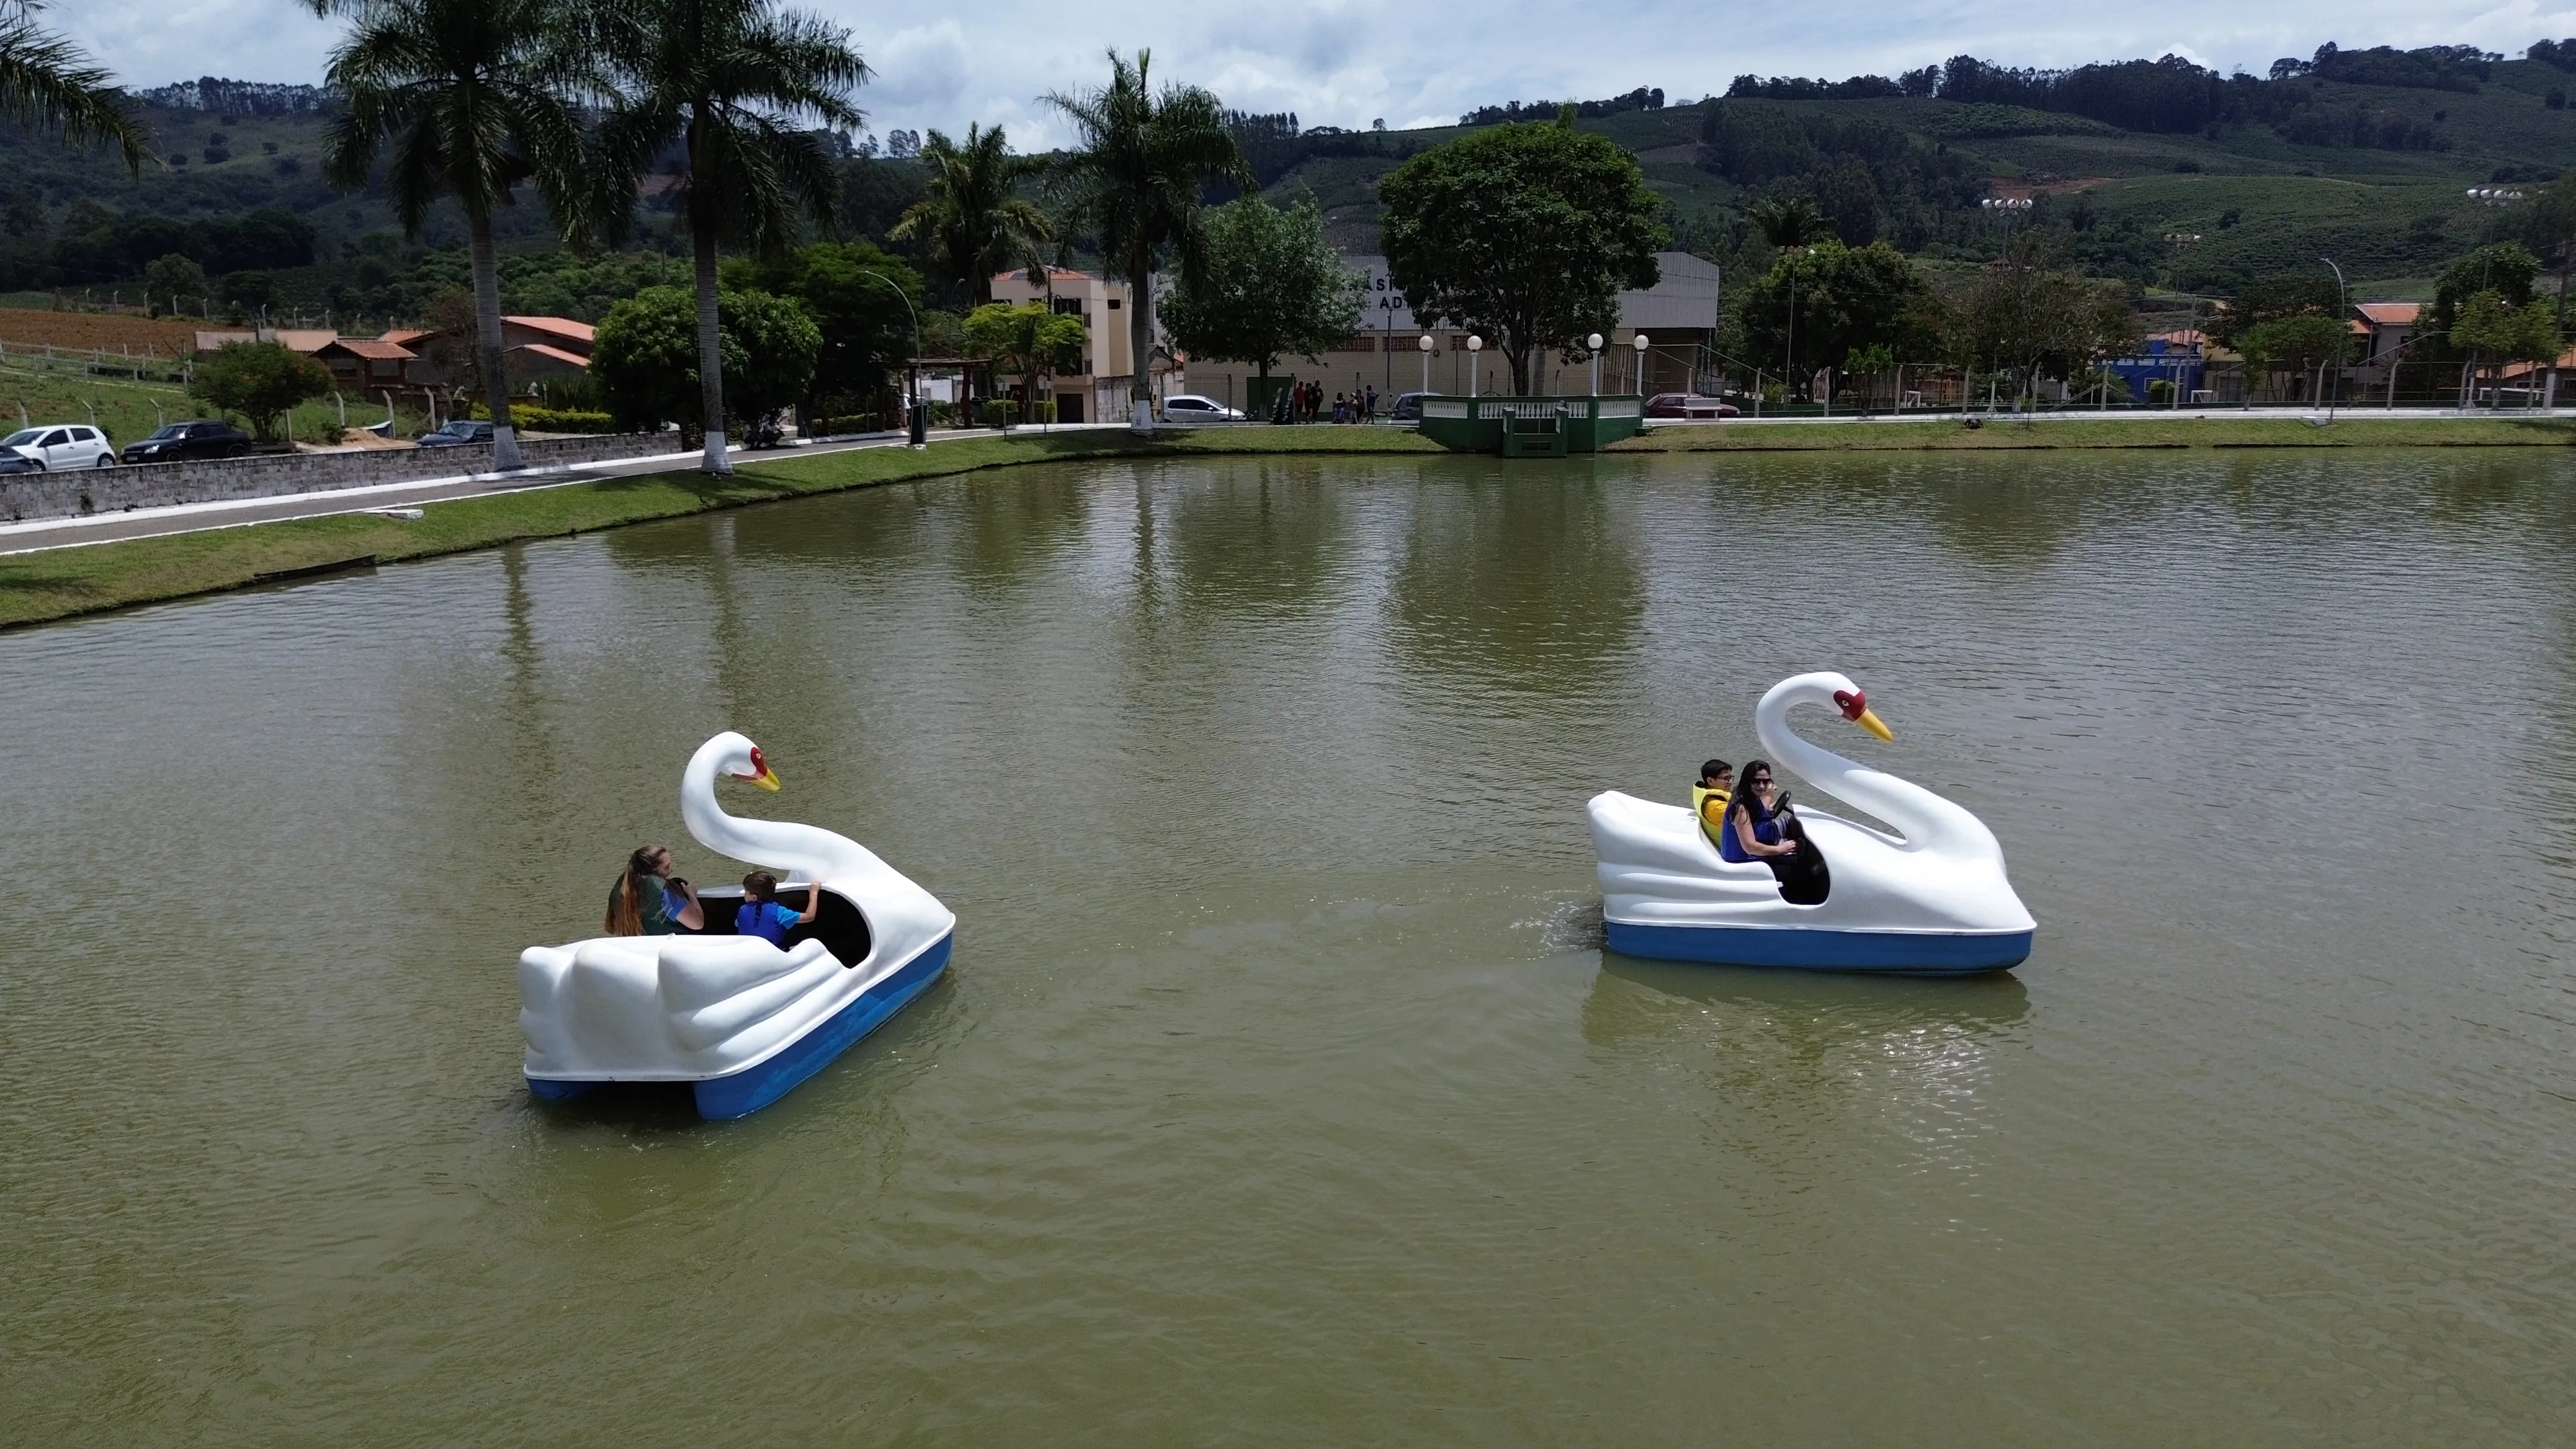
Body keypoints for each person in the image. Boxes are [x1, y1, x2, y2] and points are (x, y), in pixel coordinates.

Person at [1722, 761, 1830, 905]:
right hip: (1745, 861)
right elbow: (1750, 847)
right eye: (1756, 782)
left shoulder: (1750, 798)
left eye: (1766, 781)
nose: (1762, 786)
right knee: (1802, 873)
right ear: (1747, 781)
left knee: (1796, 834)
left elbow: (1758, 817)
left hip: (1755, 854)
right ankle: (1807, 904)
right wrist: (1780, 849)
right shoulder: (1741, 808)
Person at [604, 843, 703, 935]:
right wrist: (691, 895)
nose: (671, 870)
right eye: (666, 867)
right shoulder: (661, 889)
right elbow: (697, 924)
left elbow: (610, 928)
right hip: (671, 946)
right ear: (653, 870)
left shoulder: (621, 888)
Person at [735, 870, 822, 946]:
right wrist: (814, 893)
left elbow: (739, 924)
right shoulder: (780, 912)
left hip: (746, 952)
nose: (744, 894)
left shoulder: (742, 910)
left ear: (754, 898)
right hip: (773, 954)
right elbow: (809, 916)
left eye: (746, 891)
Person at [1692, 759, 1733, 849]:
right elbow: (1749, 819)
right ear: (1710, 781)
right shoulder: (1716, 806)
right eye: (1726, 778)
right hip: (1733, 850)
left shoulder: (1708, 796)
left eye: (1730, 778)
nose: (1730, 781)